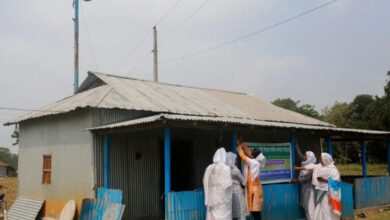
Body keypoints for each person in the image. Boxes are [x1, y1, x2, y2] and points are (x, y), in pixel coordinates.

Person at [297, 153, 341, 220]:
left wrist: (324, 180)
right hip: (320, 191)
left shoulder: (333, 170)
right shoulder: (319, 166)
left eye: (321, 159)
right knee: (320, 209)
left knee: (327, 209)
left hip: (328, 193)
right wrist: (298, 168)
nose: (320, 160)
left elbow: (336, 182)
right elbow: (310, 167)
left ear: (326, 160)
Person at [236, 139, 266, 220]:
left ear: (254, 156)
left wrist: (239, 146)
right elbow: (248, 153)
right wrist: (243, 144)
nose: (250, 154)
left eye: (252, 154)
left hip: (254, 191)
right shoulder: (257, 162)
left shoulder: (254, 162)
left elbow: (243, 156)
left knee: (255, 211)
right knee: (256, 211)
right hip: (255, 189)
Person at [203, 148, 233, 220]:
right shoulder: (226, 168)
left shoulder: (210, 167)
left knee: (214, 214)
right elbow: (228, 184)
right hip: (223, 197)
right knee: (224, 215)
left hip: (212, 197)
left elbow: (205, 181)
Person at [293, 143, 317, 220]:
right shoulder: (305, 166)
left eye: (306, 155)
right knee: (306, 206)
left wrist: (297, 180)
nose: (304, 157)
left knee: (309, 206)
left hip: (309, 190)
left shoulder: (312, 167)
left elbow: (306, 178)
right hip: (305, 189)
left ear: (310, 157)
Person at [226, 152, 248, 220]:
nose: (236, 161)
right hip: (238, 191)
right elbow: (243, 181)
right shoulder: (236, 170)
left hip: (230, 192)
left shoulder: (226, 170)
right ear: (232, 160)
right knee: (240, 208)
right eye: (235, 159)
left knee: (233, 209)